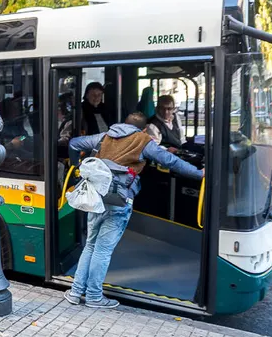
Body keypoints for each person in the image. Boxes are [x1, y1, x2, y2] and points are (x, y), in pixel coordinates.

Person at [65, 112, 203, 308]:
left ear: (123, 124)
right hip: (119, 201)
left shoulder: (105, 136)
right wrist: (199, 174)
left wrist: (75, 166)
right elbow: (171, 162)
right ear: (144, 128)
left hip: (96, 198)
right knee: (103, 250)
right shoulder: (143, 140)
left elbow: (75, 143)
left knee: (90, 245)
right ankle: (94, 296)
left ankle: (75, 292)